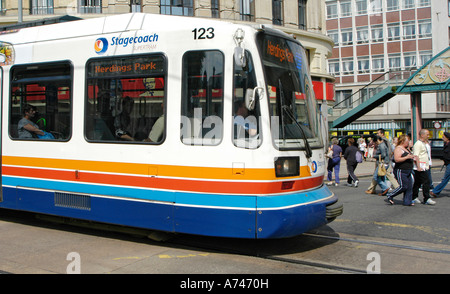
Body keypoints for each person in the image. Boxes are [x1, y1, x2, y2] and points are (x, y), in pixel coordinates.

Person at [386, 135, 416, 206]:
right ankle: (390, 194)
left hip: (408, 170)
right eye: (407, 140)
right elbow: (397, 159)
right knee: (403, 186)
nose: (408, 142)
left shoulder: (406, 148)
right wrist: (407, 157)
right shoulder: (398, 148)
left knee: (409, 187)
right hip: (401, 170)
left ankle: (407, 201)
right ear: (402, 141)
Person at [412, 129, 436, 205]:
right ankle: (427, 198)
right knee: (426, 182)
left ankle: (414, 197)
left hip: (424, 166)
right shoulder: (418, 144)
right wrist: (418, 167)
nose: (428, 136)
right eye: (427, 134)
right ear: (422, 135)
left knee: (417, 182)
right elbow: (416, 156)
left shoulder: (424, 143)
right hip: (421, 167)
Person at [430, 132, 450, 197]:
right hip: (447, 163)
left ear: (447, 138)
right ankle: (436, 192)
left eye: (443, 137)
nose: (442, 138)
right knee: (446, 178)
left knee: (445, 178)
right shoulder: (445, 144)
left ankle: (435, 191)